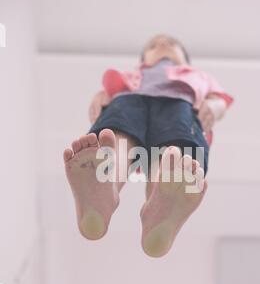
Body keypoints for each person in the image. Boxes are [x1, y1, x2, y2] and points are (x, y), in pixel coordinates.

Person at [63, 34, 234, 257]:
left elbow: (219, 99)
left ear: (186, 60)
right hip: (129, 100)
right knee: (117, 136)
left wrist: (214, 106)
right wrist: (99, 98)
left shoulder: (199, 76)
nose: (162, 45)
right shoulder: (132, 76)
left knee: (173, 154)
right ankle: (106, 185)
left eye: (172, 45)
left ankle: (159, 207)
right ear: (143, 59)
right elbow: (105, 95)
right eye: (153, 46)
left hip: (180, 104)